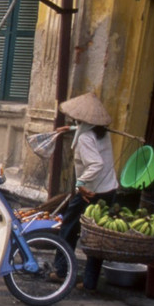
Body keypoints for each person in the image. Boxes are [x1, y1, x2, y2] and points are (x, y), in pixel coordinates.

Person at [53, 92, 119, 280]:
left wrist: (80, 183)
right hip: (109, 189)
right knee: (97, 236)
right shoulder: (101, 133)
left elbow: (95, 163)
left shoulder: (85, 138)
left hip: (89, 192)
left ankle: (60, 270)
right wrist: (71, 128)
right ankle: (90, 281)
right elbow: (85, 131)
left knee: (69, 227)